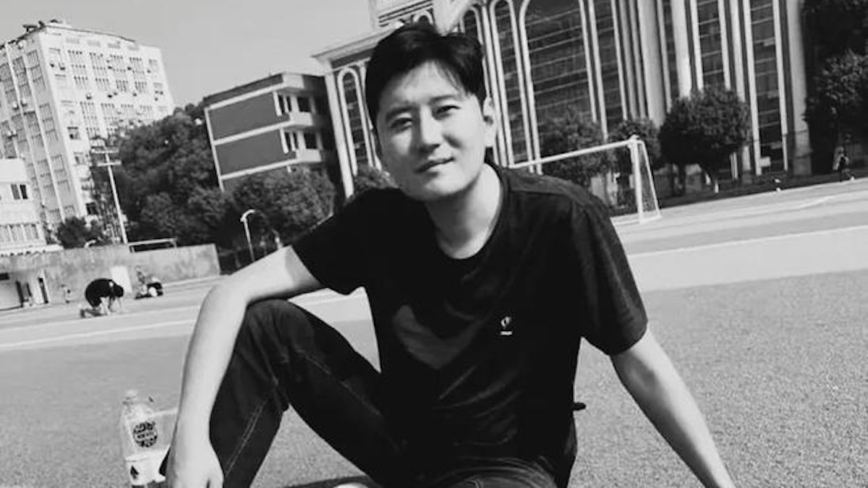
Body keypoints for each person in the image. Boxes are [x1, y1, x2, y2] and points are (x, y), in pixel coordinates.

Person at [164, 23, 735, 488]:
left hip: (513, 465)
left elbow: (642, 364)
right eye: (401, 121)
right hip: (404, 446)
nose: (426, 137)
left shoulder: (560, 219)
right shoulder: (376, 221)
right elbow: (230, 292)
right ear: (381, 146)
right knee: (266, 324)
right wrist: (190, 436)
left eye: (443, 110)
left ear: (486, 120)